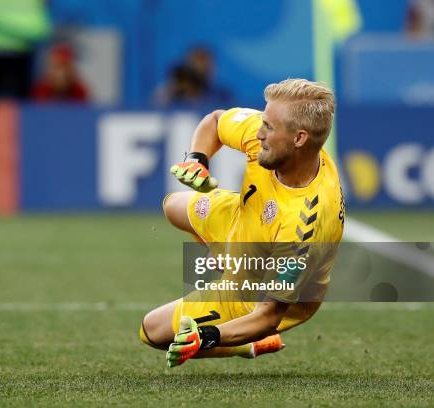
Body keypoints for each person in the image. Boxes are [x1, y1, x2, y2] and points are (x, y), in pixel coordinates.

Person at [139, 79, 345, 367]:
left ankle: (248, 345)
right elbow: (214, 121)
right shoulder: (279, 136)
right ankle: (221, 256)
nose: (258, 133)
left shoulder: (303, 231)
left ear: (299, 138)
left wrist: (209, 335)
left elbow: (268, 315)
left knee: (152, 330)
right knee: (172, 205)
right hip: (242, 219)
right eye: (263, 121)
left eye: (269, 128)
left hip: (255, 285)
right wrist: (197, 160)